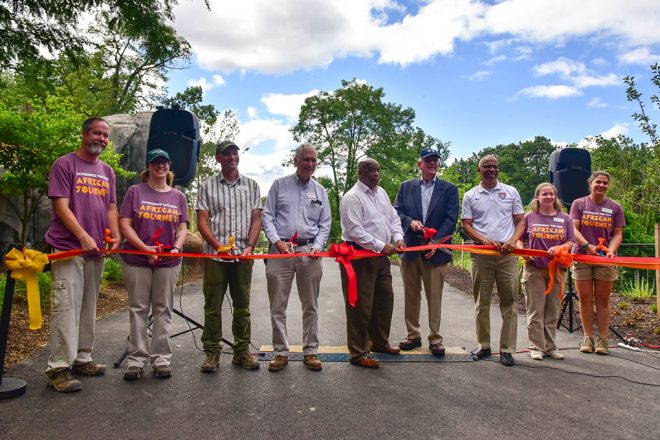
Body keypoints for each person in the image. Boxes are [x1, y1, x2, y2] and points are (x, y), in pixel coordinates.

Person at [44, 117, 120, 392]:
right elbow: (62, 207)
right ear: (84, 134)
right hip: (68, 248)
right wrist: (83, 236)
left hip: (96, 250)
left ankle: (83, 357)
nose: (101, 139)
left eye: (105, 136)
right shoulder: (65, 164)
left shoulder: (108, 171)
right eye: (97, 133)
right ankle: (58, 369)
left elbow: (111, 207)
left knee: (89, 306)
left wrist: (115, 235)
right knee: (66, 307)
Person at [119, 149, 188, 380]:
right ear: (148, 166)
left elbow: (182, 227)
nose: (161, 165)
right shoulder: (134, 192)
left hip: (168, 261)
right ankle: (136, 360)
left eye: (165, 162)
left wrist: (177, 247)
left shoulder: (178, 196)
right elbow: (125, 225)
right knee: (138, 308)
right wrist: (143, 248)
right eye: (156, 162)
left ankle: (161, 360)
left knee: (163, 309)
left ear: (169, 166)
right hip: (137, 258)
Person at [262, 144, 331, 372]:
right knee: (277, 305)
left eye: (313, 160)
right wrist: (277, 242)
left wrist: (318, 246)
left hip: (309, 252)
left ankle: (311, 351)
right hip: (280, 250)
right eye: (305, 159)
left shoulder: (320, 191)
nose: (309, 164)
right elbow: (267, 216)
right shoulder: (279, 185)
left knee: (310, 304)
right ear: (295, 160)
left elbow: (325, 224)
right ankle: (280, 352)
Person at [196, 140, 262, 372]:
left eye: (235, 152)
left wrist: (250, 247)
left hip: (243, 257)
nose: (232, 157)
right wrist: (217, 246)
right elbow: (202, 220)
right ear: (218, 158)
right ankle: (212, 353)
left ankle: (241, 351)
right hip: (215, 256)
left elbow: (256, 219)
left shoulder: (252, 185)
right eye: (226, 154)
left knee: (242, 306)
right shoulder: (207, 186)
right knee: (212, 306)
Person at [339, 158, 405, 368]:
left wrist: (398, 238)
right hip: (360, 257)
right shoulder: (352, 197)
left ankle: (379, 342)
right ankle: (358, 353)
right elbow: (354, 230)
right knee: (360, 306)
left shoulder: (382, 193)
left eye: (377, 170)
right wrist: (380, 245)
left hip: (381, 257)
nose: (375, 174)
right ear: (360, 173)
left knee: (385, 301)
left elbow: (393, 218)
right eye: (370, 170)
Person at [461, 155, 525, 366]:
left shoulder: (511, 192)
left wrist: (513, 241)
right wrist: (485, 241)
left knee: (509, 303)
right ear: (479, 170)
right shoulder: (470, 195)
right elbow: (467, 225)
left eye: (494, 166)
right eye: (486, 166)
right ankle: (484, 345)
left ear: (498, 170)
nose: (491, 170)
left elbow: (520, 221)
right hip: (481, 255)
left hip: (507, 255)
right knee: (482, 303)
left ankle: (507, 349)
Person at [394, 149, 459, 356]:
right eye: (428, 160)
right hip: (411, 250)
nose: (433, 163)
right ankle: (413, 335)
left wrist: (436, 242)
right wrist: (410, 222)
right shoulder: (406, 187)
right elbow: (397, 211)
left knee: (434, 296)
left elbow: (451, 218)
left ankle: (435, 338)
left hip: (436, 253)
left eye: (435, 161)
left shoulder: (449, 189)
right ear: (419, 164)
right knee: (411, 296)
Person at [516, 183, 574, 361]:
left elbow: (571, 242)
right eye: (545, 194)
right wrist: (525, 253)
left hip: (557, 271)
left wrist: (560, 246)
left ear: (555, 197)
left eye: (551, 194)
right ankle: (536, 347)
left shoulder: (565, 218)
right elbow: (519, 239)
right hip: (534, 270)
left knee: (552, 310)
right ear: (537, 197)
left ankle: (551, 347)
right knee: (535, 310)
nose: (548, 197)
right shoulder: (529, 217)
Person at [570, 171, 625, 355]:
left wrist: (610, 249)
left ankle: (603, 339)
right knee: (585, 299)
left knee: (603, 300)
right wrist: (587, 245)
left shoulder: (615, 207)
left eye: (604, 183)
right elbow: (574, 229)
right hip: (582, 257)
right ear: (590, 184)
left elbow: (617, 233)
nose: (601, 185)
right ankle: (587, 337)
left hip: (605, 259)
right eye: (598, 182)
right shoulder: (579, 204)